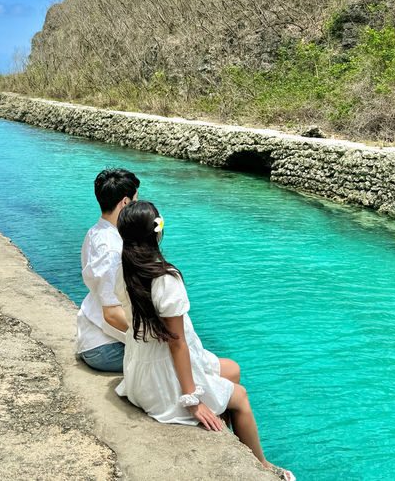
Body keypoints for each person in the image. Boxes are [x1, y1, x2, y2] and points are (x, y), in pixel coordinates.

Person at [115, 200, 295, 481]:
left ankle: (227, 432)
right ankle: (262, 465)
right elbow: (176, 342)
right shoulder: (164, 278)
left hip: (140, 373)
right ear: (156, 233)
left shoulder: (124, 270)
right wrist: (192, 400)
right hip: (163, 381)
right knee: (241, 396)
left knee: (232, 369)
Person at [76, 168, 139, 372]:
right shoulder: (112, 249)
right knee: (176, 363)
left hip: (95, 335)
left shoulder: (96, 232)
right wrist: (150, 340)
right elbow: (111, 313)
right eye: (136, 199)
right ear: (125, 202)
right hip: (106, 346)